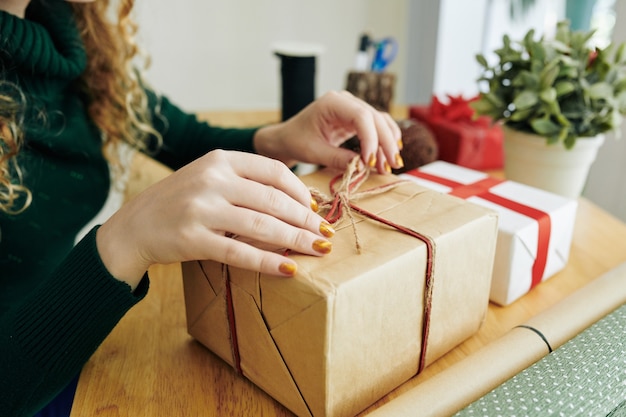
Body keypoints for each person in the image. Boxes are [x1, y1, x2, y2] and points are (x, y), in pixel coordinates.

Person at [0, 0, 403, 416]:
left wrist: (278, 139)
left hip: (69, 336)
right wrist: (126, 239)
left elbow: (181, 134)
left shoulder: (66, 32)